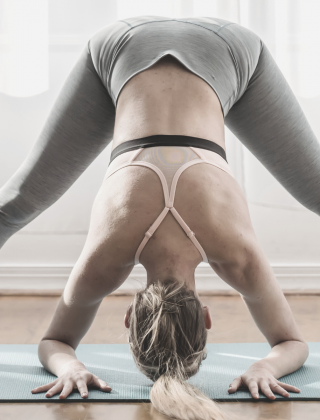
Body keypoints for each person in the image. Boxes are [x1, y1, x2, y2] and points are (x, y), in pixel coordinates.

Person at [0, 15, 315, 420]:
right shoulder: (105, 259)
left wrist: (264, 366)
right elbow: (53, 342)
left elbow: (292, 344)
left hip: (228, 49)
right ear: (130, 315)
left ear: (205, 316)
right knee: (13, 207)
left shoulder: (236, 256)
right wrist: (71, 365)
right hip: (119, 47)